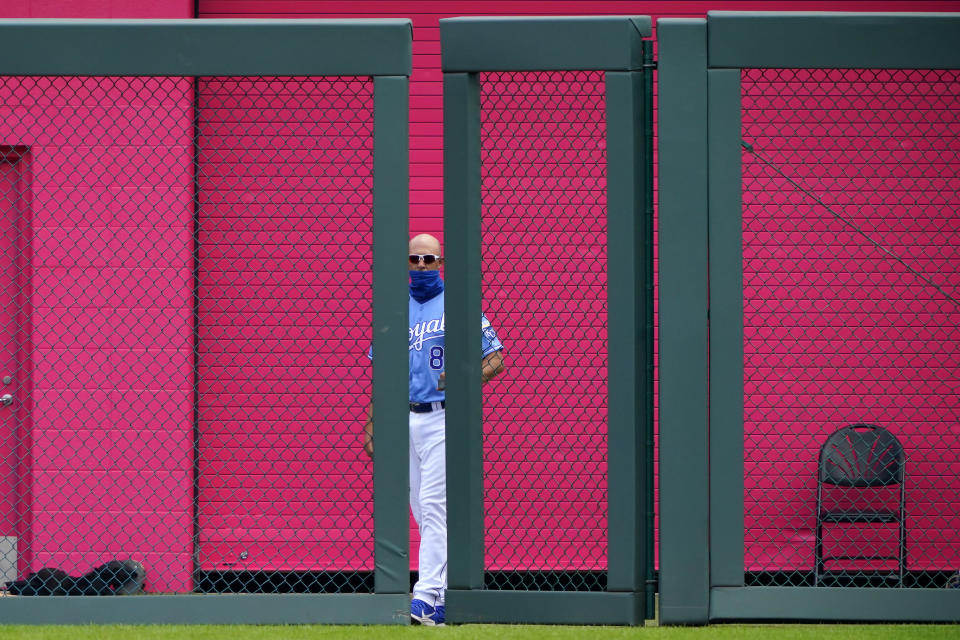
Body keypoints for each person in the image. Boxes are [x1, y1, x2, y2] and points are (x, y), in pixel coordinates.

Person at [363, 233, 505, 626]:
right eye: (415, 259)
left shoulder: (459, 305)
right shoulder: (393, 309)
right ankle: (442, 596)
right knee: (420, 508)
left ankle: (424, 597)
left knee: (434, 504)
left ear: (441, 263)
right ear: (407, 264)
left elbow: (496, 359)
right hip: (402, 418)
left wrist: (462, 379)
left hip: (443, 417)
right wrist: (372, 421)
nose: (422, 265)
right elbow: (381, 372)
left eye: (429, 259)